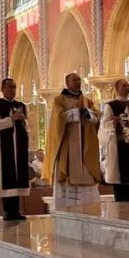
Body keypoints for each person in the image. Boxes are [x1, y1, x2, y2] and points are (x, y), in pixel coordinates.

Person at [44, 72, 102, 207]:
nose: (78, 82)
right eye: (74, 80)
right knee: (67, 178)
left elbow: (97, 117)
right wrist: (76, 112)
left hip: (85, 147)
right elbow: (57, 119)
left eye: (79, 80)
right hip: (68, 147)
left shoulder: (87, 101)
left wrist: (86, 113)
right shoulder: (59, 100)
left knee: (87, 176)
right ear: (67, 82)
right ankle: (67, 209)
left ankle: (88, 208)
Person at [0, 78, 31, 220]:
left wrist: (24, 122)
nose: (12, 90)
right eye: (9, 87)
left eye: (14, 87)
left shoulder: (22, 105)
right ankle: (7, 211)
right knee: (7, 177)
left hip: (19, 146)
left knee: (18, 178)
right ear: (3, 89)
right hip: (5, 147)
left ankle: (16, 210)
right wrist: (11, 119)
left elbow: (27, 125)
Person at [100, 78, 129, 202]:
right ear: (117, 88)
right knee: (118, 178)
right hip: (117, 143)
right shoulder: (110, 105)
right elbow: (105, 124)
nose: (127, 88)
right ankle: (119, 205)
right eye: (124, 85)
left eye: (128, 86)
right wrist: (113, 122)